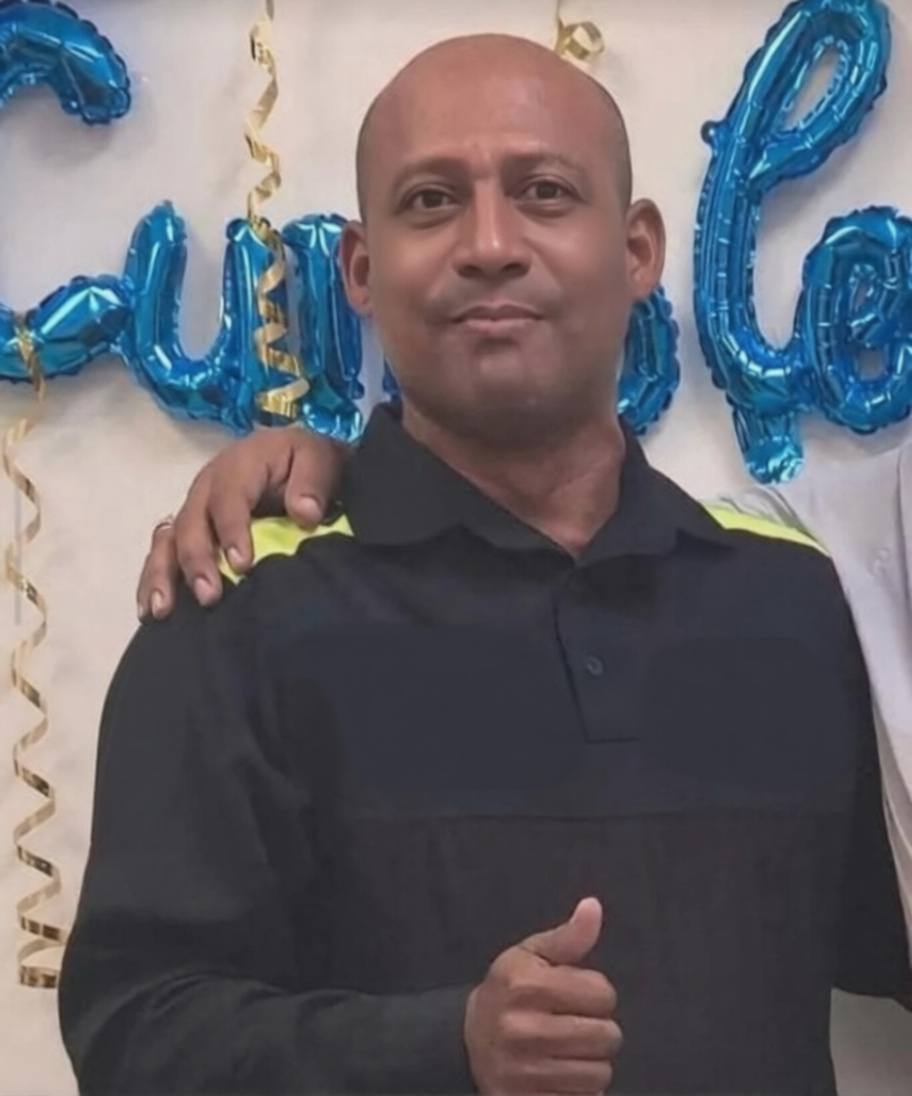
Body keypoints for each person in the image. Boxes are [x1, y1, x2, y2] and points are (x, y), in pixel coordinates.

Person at [61, 34, 910, 1096]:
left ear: (637, 250)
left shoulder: (798, 599)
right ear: (361, 270)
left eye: (545, 192)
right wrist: (440, 1047)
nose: (491, 244)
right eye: (431, 202)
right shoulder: (238, 608)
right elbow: (133, 1033)